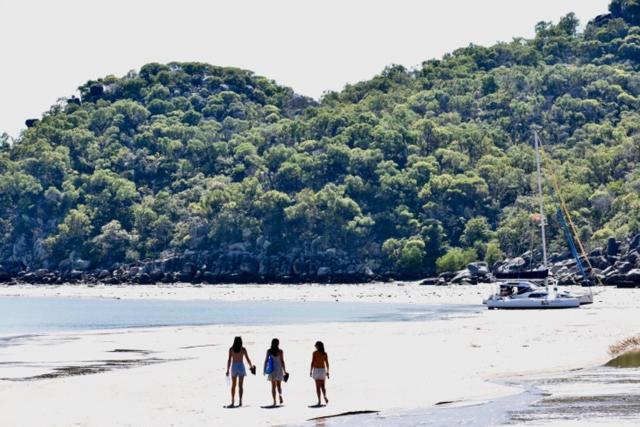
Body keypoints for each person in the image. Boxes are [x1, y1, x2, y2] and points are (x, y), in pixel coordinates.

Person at [225, 336, 255, 407]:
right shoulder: (243, 349)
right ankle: (240, 401)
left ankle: (232, 401)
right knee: (240, 385)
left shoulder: (231, 349)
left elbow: (229, 360)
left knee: (233, 385)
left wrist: (227, 370)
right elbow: (248, 359)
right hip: (241, 366)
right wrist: (251, 366)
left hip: (234, 366)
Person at [264, 338, 287, 406]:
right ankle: (280, 395)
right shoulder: (280, 351)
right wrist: (284, 370)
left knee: (273, 386)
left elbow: (266, 360)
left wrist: (264, 369)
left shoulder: (269, 351)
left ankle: (274, 401)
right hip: (279, 369)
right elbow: (282, 361)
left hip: (272, 369)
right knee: (279, 385)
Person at [310, 341, 330, 406]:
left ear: (318, 346)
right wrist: (327, 372)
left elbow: (312, 362)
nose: (315, 346)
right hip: (322, 370)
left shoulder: (315, 353)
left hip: (316, 370)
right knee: (323, 386)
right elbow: (327, 363)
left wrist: (310, 371)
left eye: (316, 345)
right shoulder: (324, 353)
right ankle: (324, 396)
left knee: (318, 387)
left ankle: (319, 401)